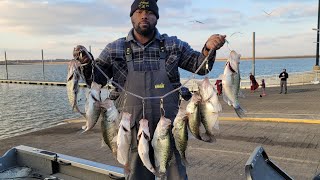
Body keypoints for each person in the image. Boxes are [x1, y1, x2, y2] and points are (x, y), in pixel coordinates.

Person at [73, 0, 226, 179]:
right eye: (138, 12)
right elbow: (95, 79)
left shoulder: (173, 45)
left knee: (176, 175)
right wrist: (85, 62)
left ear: (156, 17)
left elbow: (201, 66)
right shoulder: (115, 49)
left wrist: (208, 48)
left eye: (149, 12)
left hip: (169, 129)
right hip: (132, 131)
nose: (144, 15)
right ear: (132, 16)